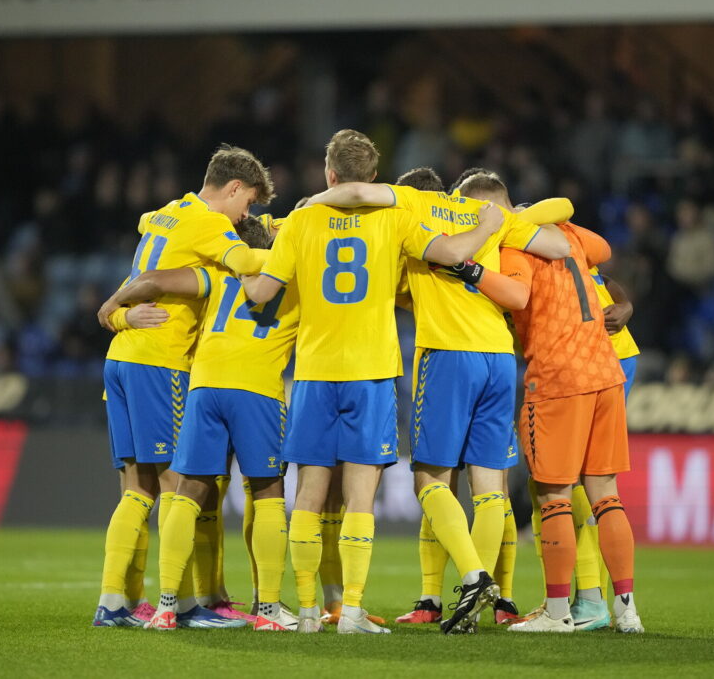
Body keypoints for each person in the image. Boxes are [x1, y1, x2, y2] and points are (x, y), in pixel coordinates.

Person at [241, 129, 504, 634]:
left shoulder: (300, 220)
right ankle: (354, 611)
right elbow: (451, 254)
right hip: (372, 373)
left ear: (330, 174)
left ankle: (308, 613)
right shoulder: (395, 218)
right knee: (361, 500)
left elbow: (261, 293)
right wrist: (486, 228)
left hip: (315, 373)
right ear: (375, 178)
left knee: (309, 498)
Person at [305, 167, 572, 632]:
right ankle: (474, 606)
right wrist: (508, 219)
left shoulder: (414, 206)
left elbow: (354, 190)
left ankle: (473, 577)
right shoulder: (483, 214)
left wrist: (311, 202)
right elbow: (560, 246)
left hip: (448, 356)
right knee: (491, 489)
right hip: (499, 359)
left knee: (429, 478)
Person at [91, 146, 274, 628]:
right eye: (248, 203)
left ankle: (114, 603)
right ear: (233, 189)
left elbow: (146, 242)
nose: (247, 214)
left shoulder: (166, 214)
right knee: (181, 487)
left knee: (136, 489)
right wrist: (292, 249)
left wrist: (116, 313)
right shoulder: (212, 226)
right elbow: (247, 260)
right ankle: (186, 604)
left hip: (123, 355)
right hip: (161, 361)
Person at [464, 178, 644, 634]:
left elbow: (518, 295)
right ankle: (627, 610)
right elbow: (601, 248)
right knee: (606, 493)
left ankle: (558, 612)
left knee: (553, 497)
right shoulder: (563, 233)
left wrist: (474, 271)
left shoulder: (513, 247)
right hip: (604, 368)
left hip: (560, 377)